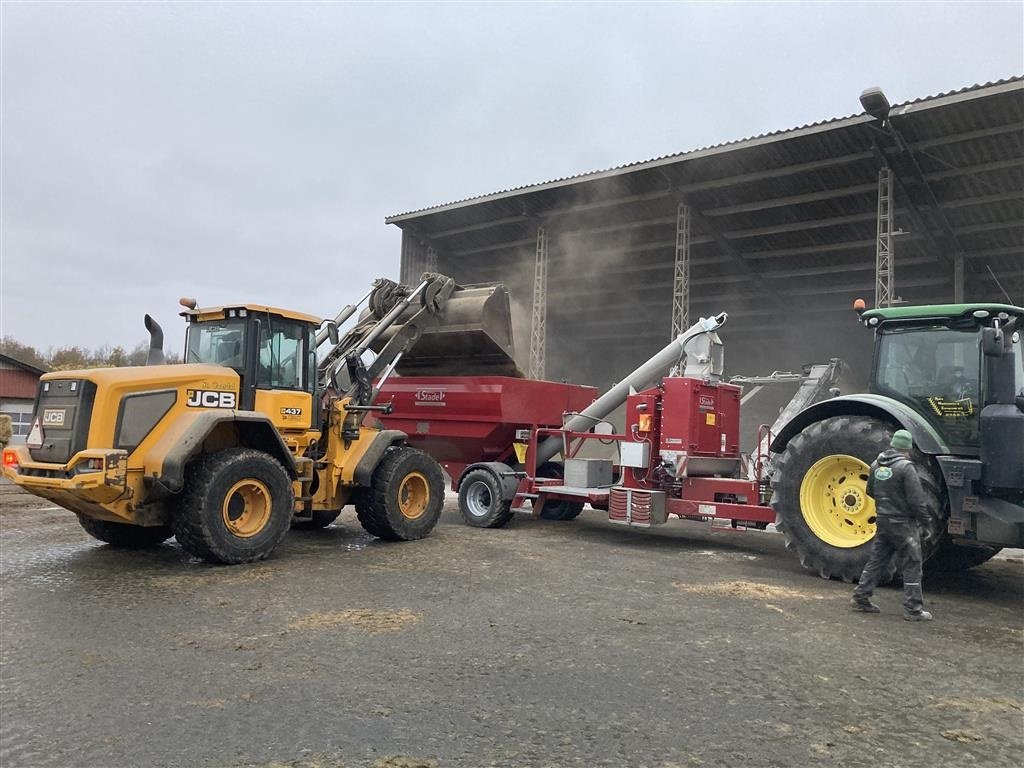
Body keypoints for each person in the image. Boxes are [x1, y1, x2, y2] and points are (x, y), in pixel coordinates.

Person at [851, 429, 933, 621]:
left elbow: (870, 491)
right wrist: (926, 522)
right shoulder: (906, 468)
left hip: (883, 520)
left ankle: (861, 597)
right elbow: (917, 501)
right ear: (907, 448)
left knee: (877, 560)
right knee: (912, 563)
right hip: (903, 524)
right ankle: (914, 609)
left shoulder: (876, 465)